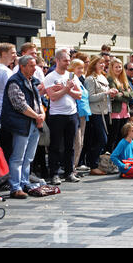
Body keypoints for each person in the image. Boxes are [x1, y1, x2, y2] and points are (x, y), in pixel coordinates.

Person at [1, 56, 45, 198]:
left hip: (33, 124)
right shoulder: (15, 81)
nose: (35, 69)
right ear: (22, 66)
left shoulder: (31, 81)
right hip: (21, 124)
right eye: (31, 66)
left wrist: (42, 113)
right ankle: (15, 187)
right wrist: (37, 116)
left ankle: (25, 182)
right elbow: (19, 105)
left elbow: (38, 100)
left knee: (29, 158)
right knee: (18, 157)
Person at [44, 49, 83, 185]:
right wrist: (66, 89)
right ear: (58, 60)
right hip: (56, 115)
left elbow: (79, 95)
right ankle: (54, 173)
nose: (68, 63)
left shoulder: (72, 75)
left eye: (69, 60)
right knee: (55, 145)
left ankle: (69, 172)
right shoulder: (50, 77)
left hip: (71, 114)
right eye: (65, 60)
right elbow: (53, 97)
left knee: (70, 145)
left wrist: (67, 89)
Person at [84, 56, 118, 175]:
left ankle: (94, 162)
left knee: (102, 139)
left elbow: (105, 96)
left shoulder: (102, 77)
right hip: (96, 113)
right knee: (101, 139)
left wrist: (111, 94)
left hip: (105, 112)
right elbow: (90, 97)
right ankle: (92, 164)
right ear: (94, 64)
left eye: (103, 63)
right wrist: (106, 93)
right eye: (100, 63)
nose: (103, 65)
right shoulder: (90, 79)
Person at [0, 43, 17, 161]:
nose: (15, 56)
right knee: (9, 148)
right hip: (7, 114)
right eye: (13, 53)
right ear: (4, 53)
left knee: (5, 147)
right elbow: (14, 93)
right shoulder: (5, 71)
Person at [106, 58, 133, 153]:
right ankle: (110, 157)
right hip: (116, 112)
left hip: (125, 112)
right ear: (111, 68)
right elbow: (115, 97)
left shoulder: (124, 79)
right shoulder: (110, 79)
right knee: (113, 136)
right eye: (116, 67)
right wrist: (125, 94)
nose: (118, 69)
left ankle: (119, 156)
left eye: (120, 67)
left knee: (122, 136)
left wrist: (123, 94)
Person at [68, 59, 92, 174]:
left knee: (80, 142)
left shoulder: (79, 79)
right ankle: (71, 166)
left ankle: (74, 166)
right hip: (76, 113)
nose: (81, 70)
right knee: (76, 141)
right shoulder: (70, 78)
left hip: (83, 114)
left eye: (82, 68)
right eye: (78, 68)